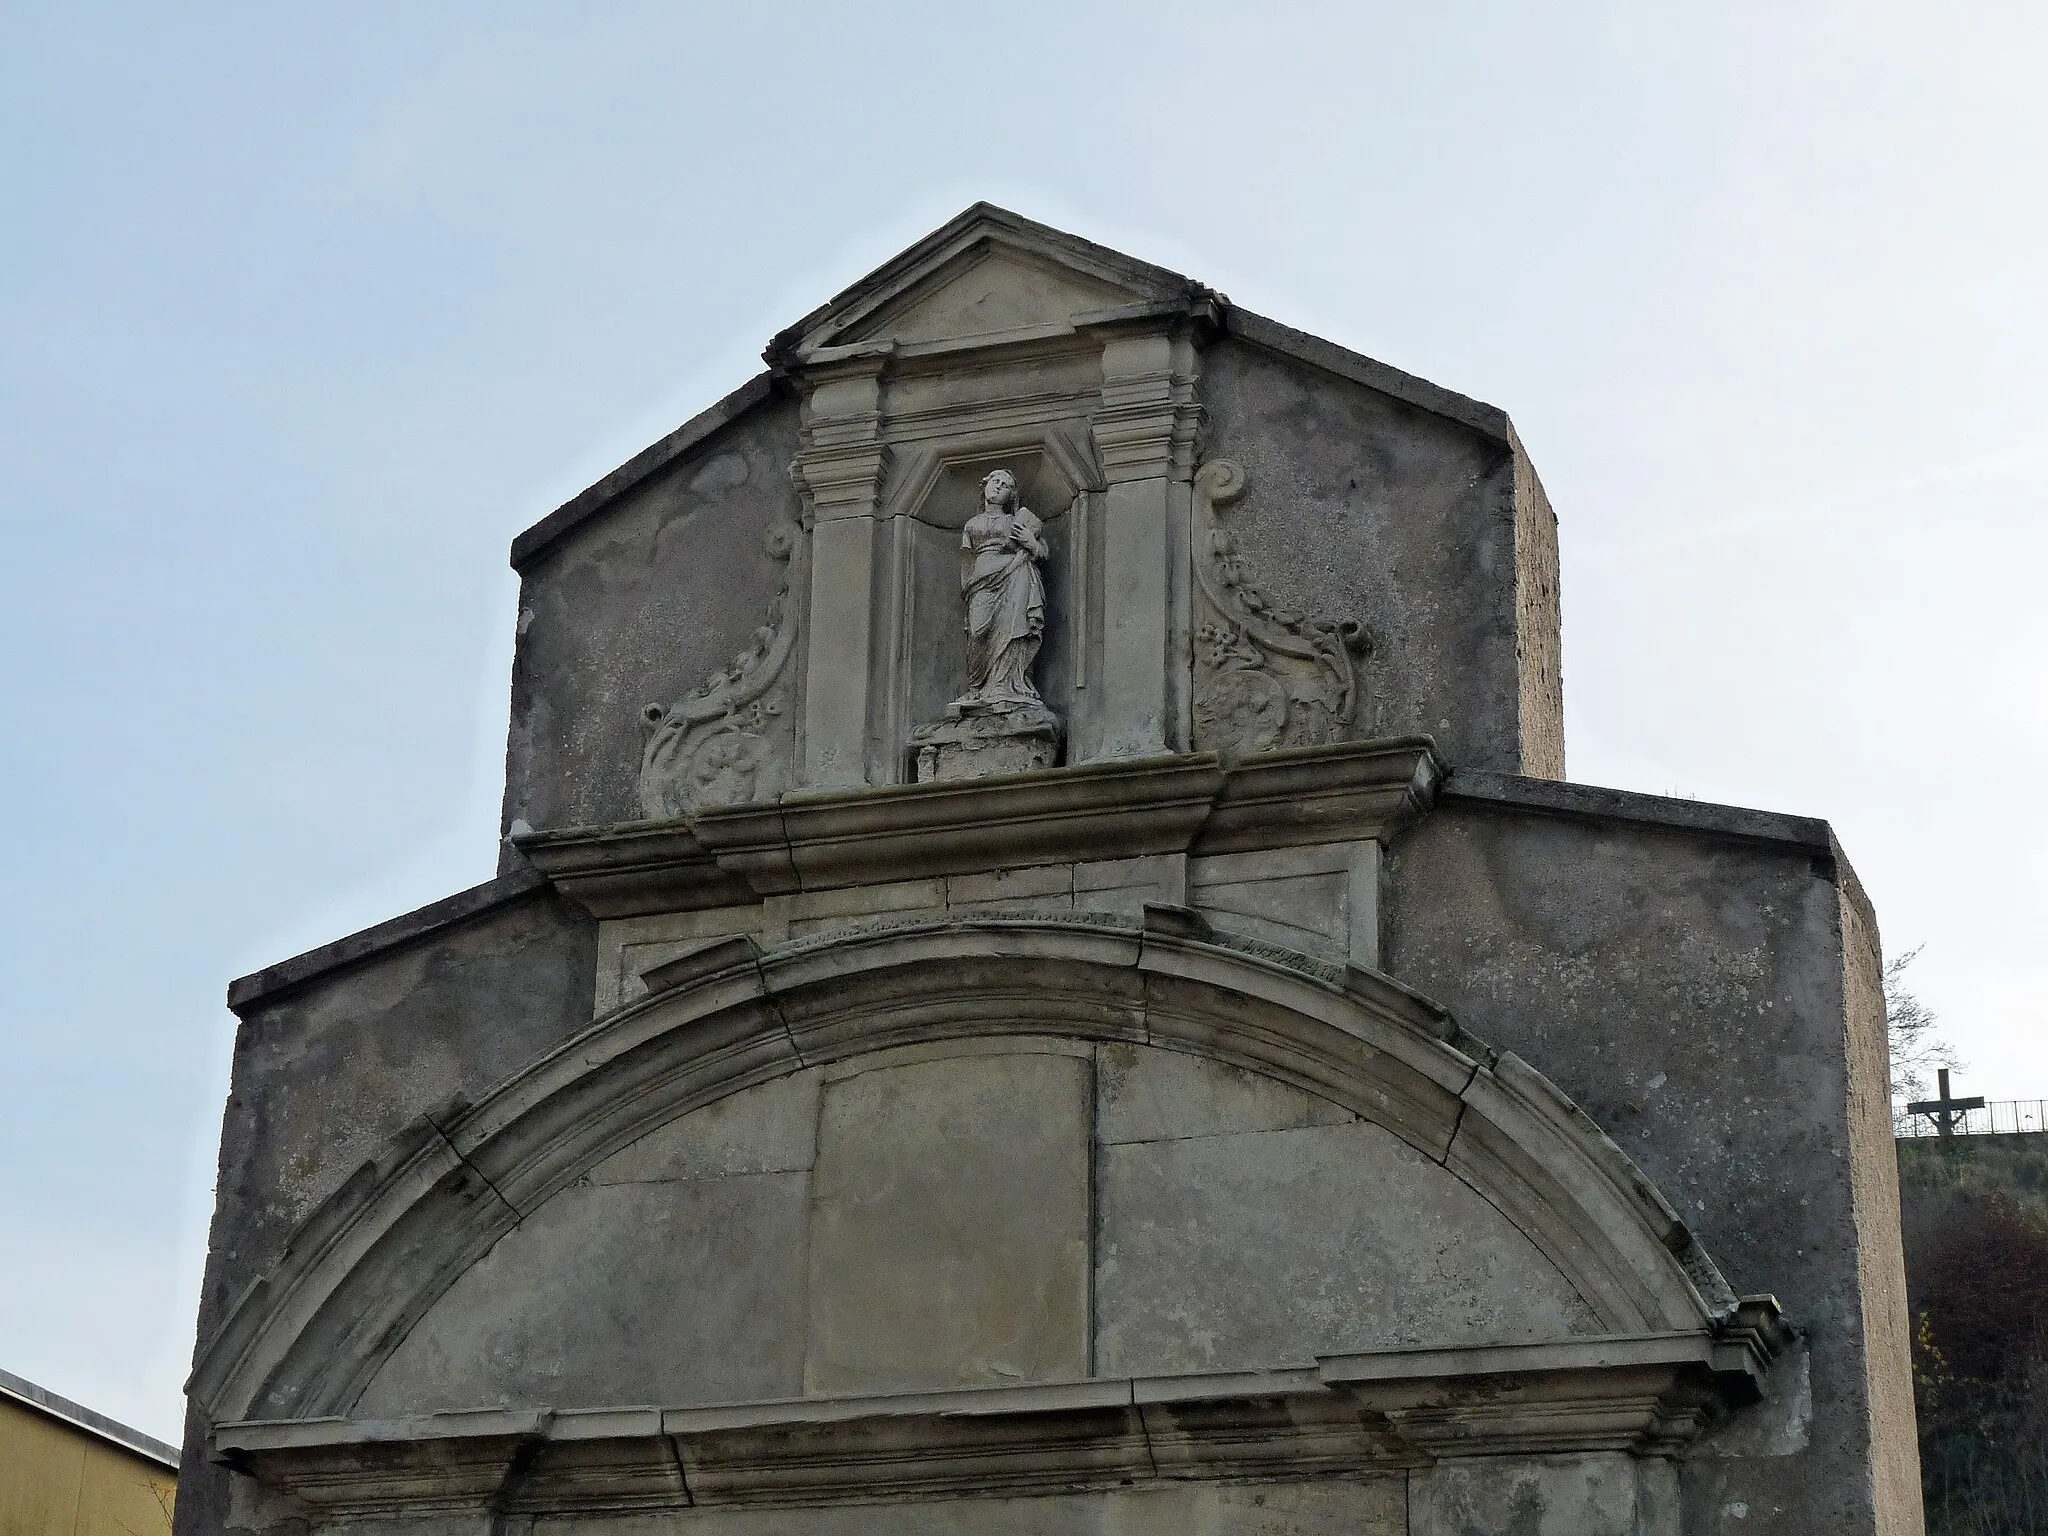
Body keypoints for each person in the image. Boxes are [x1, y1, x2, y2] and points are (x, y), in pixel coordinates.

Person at [951, 469, 1048, 714]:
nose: (998, 487)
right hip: (982, 579)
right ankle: (978, 687)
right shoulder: (972, 524)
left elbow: (1042, 552)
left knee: (1014, 626)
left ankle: (1008, 684)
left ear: (1011, 495)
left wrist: (1031, 542)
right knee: (978, 632)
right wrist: (969, 585)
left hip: (1015, 573)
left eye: (1005, 485)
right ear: (984, 485)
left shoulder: (1012, 521)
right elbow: (966, 559)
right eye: (995, 481)